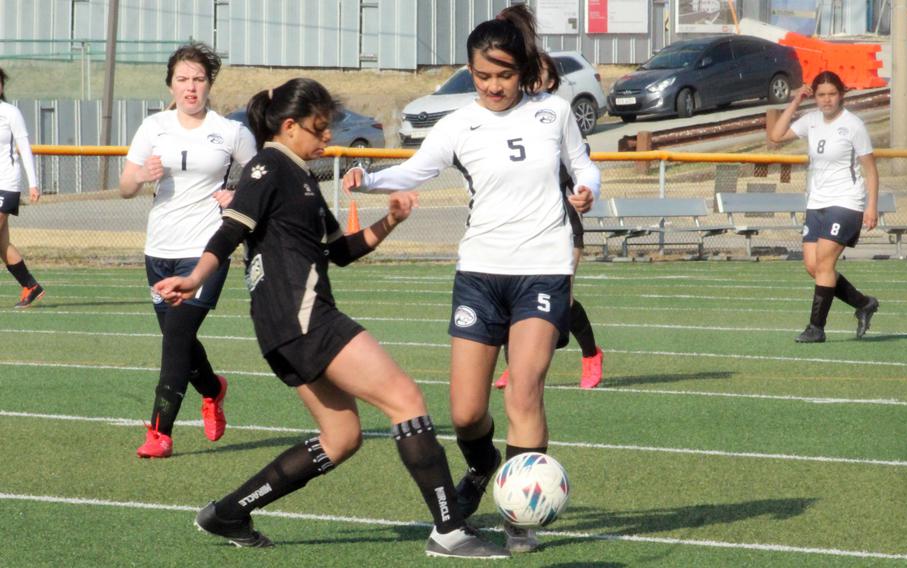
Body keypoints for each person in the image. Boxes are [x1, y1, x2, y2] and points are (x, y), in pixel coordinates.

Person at [153, 77, 509, 559]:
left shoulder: (300, 175)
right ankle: (448, 530)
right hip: (303, 320)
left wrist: (391, 220)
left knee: (341, 438)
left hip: (286, 329)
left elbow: (339, 251)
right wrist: (195, 277)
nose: (327, 139)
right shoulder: (269, 165)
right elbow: (231, 229)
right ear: (290, 125)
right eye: (319, 130)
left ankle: (228, 512)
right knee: (406, 399)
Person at [343, 5, 600, 553]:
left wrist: (587, 188)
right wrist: (369, 179)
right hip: (480, 272)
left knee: (525, 392)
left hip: (543, 268)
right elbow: (417, 168)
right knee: (465, 411)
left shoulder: (553, 112)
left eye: (503, 75)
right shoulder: (459, 123)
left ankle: (518, 518)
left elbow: (585, 164)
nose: (493, 86)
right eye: (482, 76)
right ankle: (484, 466)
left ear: (522, 68)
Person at [119, 42, 257, 458]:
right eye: (183, 79)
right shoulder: (153, 126)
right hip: (159, 249)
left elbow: (259, 179)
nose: (191, 87)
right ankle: (213, 389)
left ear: (209, 84)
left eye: (198, 79)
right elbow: (126, 187)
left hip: (206, 250)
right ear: (171, 84)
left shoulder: (231, 131)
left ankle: (160, 433)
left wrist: (237, 194)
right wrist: (142, 174)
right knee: (178, 338)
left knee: (176, 338)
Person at [495, 52, 603, 391]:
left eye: (535, 75)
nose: (528, 80)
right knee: (510, 295)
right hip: (520, 226)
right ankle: (516, 366)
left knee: (562, 300)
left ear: (550, 82)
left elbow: (581, 170)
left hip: (562, 226)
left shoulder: (559, 119)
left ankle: (591, 355)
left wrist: (585, 190)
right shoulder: (506, 119)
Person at [769, 71, 879, 343]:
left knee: (825, 262)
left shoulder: (853, 125)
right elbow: (775, 135)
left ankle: (816, 328)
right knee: (812, 266)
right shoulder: (811, 121)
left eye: (832, 94)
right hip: (816, 202)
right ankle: (864, 303)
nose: (827, 100)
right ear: (814, 97)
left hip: (846, 202)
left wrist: (871, 206)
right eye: (821, 95)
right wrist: (796, 101)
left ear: (841, 94)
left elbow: (871, 170)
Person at [0, 67, 44, 308]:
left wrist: (33, 183)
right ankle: (31, 286)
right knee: (2, 244)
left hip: (6, 184)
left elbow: (24, 148)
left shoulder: (10, 112)